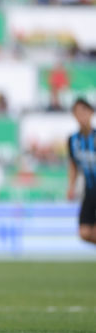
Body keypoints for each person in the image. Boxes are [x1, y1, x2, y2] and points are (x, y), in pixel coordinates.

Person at [67, 98, 96, 245]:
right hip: (89, 191)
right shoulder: (73, 140)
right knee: (84, 233)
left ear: (91, 112)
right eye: (77, 113)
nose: (81, 116)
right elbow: (73, 165)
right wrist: (71, 187)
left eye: (84, 111)